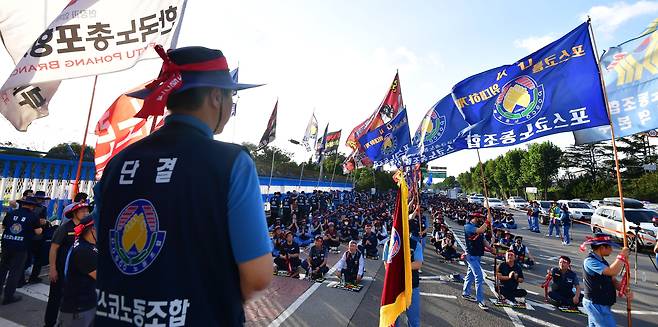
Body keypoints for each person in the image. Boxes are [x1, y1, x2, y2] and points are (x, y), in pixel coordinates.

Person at [93, 45, 272, 326]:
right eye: (231, 95)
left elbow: (105, 242)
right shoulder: (232, 163)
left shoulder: (117, 162)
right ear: (216, 96)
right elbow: (258, 276)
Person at [44, 201, 90, 327]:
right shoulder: (64, 228)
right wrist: (53, 269)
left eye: (87, 211)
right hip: (60, 269)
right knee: (55, 299)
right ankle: (49, 323)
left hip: (77, 273)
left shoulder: (87, 228)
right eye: (83, 211)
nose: (86, 213)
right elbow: (54, 248)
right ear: (75, 213)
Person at [581, 233, 632, 327]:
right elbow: (612, 271)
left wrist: (623, 289)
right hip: (596, 303)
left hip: (602, 302)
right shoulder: (590, 261)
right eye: (609, 247)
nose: (612, 250)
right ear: (602, 247)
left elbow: (612, 279)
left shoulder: (602, 261)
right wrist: (621, 256)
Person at [0, 196, 43, 305]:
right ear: (32, 206)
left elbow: (4, 226)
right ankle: (9, 296)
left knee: (2, 269)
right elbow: (38, 232)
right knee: (15, 271)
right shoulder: (33, 216)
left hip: (6, 243)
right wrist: (42, 227)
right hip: (21, 246)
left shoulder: (11, 213)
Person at [58, 216, 97, 327]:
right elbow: (103, 278)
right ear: (92, 229)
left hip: (83, 304)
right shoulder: (84, 251)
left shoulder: (86, 244)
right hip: (79, 308)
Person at [462, 212, 491, 310]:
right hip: (471, 255)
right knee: (479, 276)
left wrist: (491, 248)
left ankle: (465, 293)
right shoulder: (468, 226)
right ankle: (481, 300)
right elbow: (480, 230)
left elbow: (484, 241)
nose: (481, 220)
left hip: (478, 255)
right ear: (474, 218)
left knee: (470, 274)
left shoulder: (479, 227)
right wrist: (487, 221)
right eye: (480, 218)